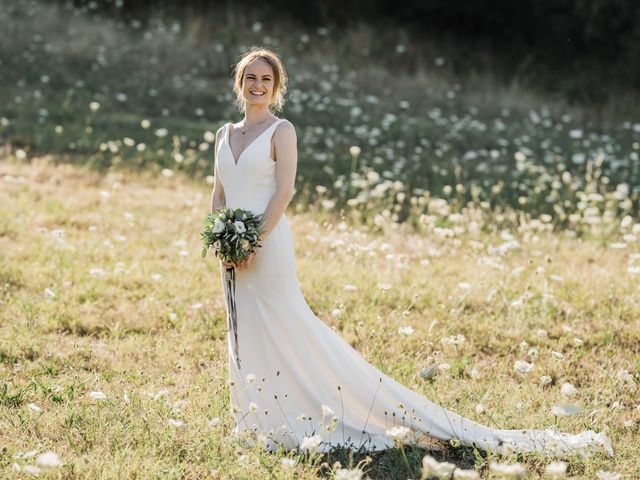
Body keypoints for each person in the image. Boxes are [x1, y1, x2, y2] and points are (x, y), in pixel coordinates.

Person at [209, 47, 613, 457]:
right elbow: (219, 193)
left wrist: (254, 239)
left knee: (287, 325)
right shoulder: (225, 134)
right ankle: (259, 418)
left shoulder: (282, 132)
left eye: (266, 80)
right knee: (243, 327)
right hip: (231, 250)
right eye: (250, 78)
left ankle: (321, 408)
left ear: (276, 89)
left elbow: (285, 191)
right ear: (239, 83)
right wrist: (220, 240)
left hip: (268, 243)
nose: (257, 86)